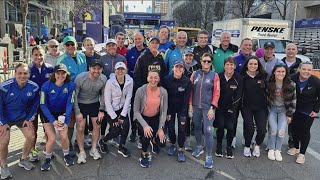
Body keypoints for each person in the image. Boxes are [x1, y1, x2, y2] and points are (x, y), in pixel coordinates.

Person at [0, 63, 39, 179]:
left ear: (29, 74)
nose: (22, 76)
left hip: (22, 117)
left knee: (31, 136)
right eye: (19, 73)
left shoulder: (34, 87)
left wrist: (28, 118)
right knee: (3, 141)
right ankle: (3, 166)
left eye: (25, 73)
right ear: (15, 74)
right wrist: (2, 122)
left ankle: (23, 159)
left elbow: (35, 105)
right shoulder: (4, 86)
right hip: (5, 117)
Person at [39, 64, 75, 170]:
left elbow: (70, 103)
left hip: (61, 113)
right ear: (54, 74)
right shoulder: (46, 85)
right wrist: (53, 120)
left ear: (66, 74)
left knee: (64, 136)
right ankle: (47, 159)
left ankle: (66, 155)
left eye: (63, 73)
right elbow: (42, 104)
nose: (60, 75)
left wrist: (66, 119)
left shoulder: (71, 85)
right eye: (58, 73)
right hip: (47, 113)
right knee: (52, 137)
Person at [189, 53, 220, 169]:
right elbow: (190, 91)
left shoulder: (214, 75)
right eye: (204, 61)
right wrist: (190, 105)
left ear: (211, 63)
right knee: (197, 127)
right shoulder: (194, 74)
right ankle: (199, 145)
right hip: (196, 106)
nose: (206, 63)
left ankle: (208, 155)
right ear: (201, 62)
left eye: (209, 61)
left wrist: (213, 107)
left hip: (208, 108)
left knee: (207, 131)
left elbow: (217, 93)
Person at [57, 36, 87, 153]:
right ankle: (68, 146)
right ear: (64, 46)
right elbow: (58, 78)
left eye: (72, 44)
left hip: (83, 93)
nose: (70, 47)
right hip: (69, 94)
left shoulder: (82, 56)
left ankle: (78, 142)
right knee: (70, 121)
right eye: (67, 45)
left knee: (81, 121)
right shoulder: (61, 59)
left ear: (76, 44)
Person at [74, 60, 107, 163]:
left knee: (97, 126)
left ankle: (93, 149)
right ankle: (81, 151)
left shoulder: (103, 78)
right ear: (89, 68)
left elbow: (103, 95)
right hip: (81, 103)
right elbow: (74, 96)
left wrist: (102, 109)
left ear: (101, 69)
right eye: (94, 68)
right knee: (80, 127)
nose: (96, 71)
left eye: (99, 69)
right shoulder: (80, 78)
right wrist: (77, 112)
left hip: (94, 103)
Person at [133, 69, 167, 168]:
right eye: (151, 77)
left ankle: (154, 141)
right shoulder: (140, 90)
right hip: (142, 117)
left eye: (155, 77)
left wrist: (161, 128)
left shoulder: (163, 92)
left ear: (159, 79)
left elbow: (164, 111)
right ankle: (144, 153)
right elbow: (136, 111)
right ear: (147, 78)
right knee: (147, 134)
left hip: (155, 117)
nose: (153, 80)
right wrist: (145, 125)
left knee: (162, 142)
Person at [288, 61, 320, 164]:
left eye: (309, 70)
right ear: (299, 69)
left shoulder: (316, 81)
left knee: (304, 131)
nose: (306, 71)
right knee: (294, 129)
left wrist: (316, 110)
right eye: (304, 69)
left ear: (312, 71)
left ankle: (302, 154)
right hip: (294, 109)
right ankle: (296, 147)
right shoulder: (292, 77)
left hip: (308, 110)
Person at [98, 62, 133, 157]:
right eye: (118, 69)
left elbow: (128, 98)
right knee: (116, 130)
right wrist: (114, 117)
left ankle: (121, 147)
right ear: (115, 71)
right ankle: (103, 141)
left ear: (126, 70)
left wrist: (122, 115)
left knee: (126, 127)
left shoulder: (130, 81)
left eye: (122, 69)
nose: (120, 71)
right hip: (110, 110)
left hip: (121, 108)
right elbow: (107, 101)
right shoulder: (110, 82)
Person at [29, 45, 54, 162]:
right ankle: (32, 150)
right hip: (32, 105)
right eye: (36, 55)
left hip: (46, 105)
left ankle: (47, 149)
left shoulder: (50, 69)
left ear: (45, 55)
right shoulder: (28, 70)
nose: (39, 57)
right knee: (32, 130)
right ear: (32, 56)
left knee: (48, 129)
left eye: (41, 54)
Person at [162, 61, 191, 162]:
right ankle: (173, 144)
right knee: (170, 128)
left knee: (182, 129)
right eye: (176, 67)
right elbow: (163, 95)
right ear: (172, 68)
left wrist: (184, 112)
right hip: (170, 108)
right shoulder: (166, 80)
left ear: (183, 69)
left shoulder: (187, 81)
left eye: (181, 67)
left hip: (182, 108)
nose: (178, 69)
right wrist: (166, 110)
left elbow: (187, 98)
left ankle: (181, 148)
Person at [266, 63, 296, 161]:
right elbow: (265, 98)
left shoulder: (291, 84)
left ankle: (277, 150)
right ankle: (271, 148)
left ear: (286, 72)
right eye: (278, 71)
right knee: (273, 130)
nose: (280, 73)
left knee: (281, 132)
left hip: (284, 110)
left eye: (283, 71)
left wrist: (289, 114)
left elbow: (293, 101)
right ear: (274, 72)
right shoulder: (269, 83)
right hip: (272, 109)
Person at [214, 57, 243, 159]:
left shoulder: (238, 78)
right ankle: (219, 146)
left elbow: (239, 95)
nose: (229, 67)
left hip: (232, 108)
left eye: (231, 65)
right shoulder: (219, 76)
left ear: (234, 66)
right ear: (224, 66)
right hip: (220, 107)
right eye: (227, 64)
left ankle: (229, 147)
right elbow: (215, 92)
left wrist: (233, 108)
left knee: (230, 128)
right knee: (220, 126)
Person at [240, 56, 268, 157]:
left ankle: (257, 145)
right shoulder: (242, 76)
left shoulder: (263, 76)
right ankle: (247, 146)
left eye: (255, 64)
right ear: (247, 65)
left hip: (261, 107)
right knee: (250, 128)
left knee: (262, 130)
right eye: (250, 64)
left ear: (258, 65)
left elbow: (268, 91)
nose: (253, 66)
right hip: (246, 107)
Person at [232, 38, 253, 148]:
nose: (247, 47)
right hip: (236, 94)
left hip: (248, 96)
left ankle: (246, 138)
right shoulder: (235, 59)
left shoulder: (254, 60)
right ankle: (233, 138)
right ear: (241, 46)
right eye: (245, 45)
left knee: (247, 119)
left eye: (249, 45)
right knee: (234, 117)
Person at [125, 32, 146, 142]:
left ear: (143, 39)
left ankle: (142, 130)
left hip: (146, 85)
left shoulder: (147, 51)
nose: (138, 41)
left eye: (139, 39)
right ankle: (133, 130)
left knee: (144, 108)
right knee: (134, 108)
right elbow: (126, 69)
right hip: (133, 85)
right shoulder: (129, 52)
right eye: (136, 39)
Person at [281, 43, 302, 149]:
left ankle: (291, 140)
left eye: (293, 49)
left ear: (296, 51)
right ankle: (273, 141)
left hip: (295, 95)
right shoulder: (280, 62)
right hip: (280, 95)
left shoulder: (300, 64)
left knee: (292, 119)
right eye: (289, 49)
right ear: (285, 50)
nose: (291, 51)